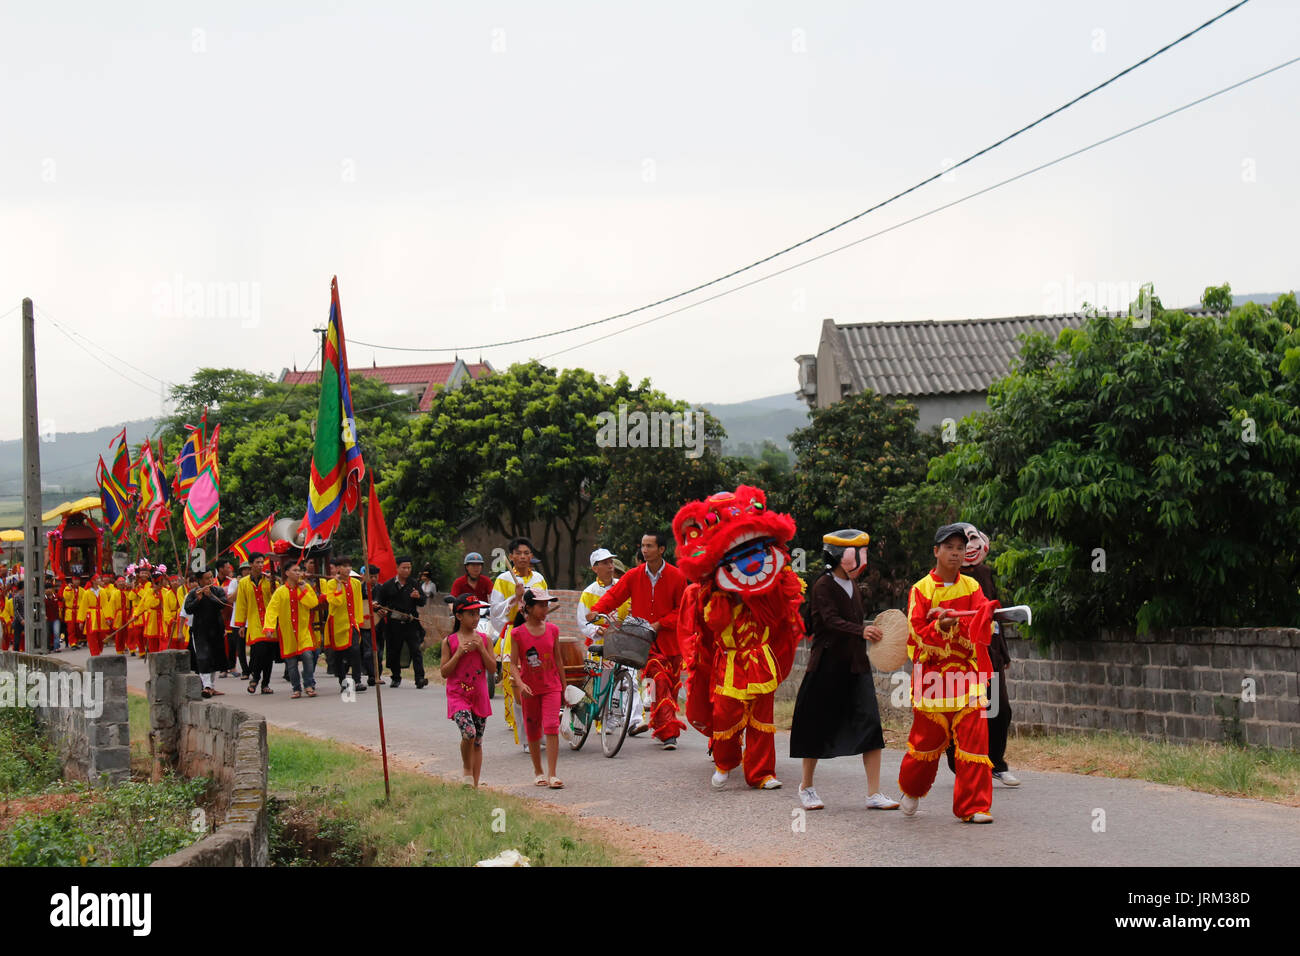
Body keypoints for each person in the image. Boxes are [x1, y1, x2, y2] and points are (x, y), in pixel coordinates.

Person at [790, 530, 900, 811]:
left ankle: (873, 793)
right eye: (858, 552)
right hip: (826, 666)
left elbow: (854, 622)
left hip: (856, 666)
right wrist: (861, 630)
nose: (863, 559)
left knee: (871, 726)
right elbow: (829, 621)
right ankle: (807, 786)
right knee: (815, 725)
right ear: (840, 556)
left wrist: (868, 630)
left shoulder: (854, 584)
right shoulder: (822, 586)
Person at [897, 523, 1000, 824]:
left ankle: (974, 806)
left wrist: (973, 619)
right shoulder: (921, 589)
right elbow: (915, 634)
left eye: (960, 548)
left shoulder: (972, 587)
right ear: (936, 552)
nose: (955, 554)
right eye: (949, 548)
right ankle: (912, 789)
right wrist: (938, 627)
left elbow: (981, 627)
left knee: (974, 743)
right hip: (933, 679)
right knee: (925, 746)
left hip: (968, 677)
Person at [587, 532, 687, 749]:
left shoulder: (677, 576)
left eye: (649, 546)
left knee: (670, 687)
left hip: (671, 642)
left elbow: (682, 609)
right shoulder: (633, 575)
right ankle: (669, 733)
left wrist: (660, 624)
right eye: (642, 545)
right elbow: (614, 596)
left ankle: (661, 727)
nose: (644, 550)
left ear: (661, 549)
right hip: (644, 642)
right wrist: (596, 611)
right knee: (659, 679)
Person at [943, 524, 1020, 787]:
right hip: (961, 657)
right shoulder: (946, 579)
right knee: (961, 712)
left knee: (1000, 709)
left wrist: (1003, 653)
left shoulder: (985, 574)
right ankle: (959, 763)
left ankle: (996, 763)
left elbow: (995, 617)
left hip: (990, 654)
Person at [576, 547, 644, 731]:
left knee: (630, 678)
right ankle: (605, 720)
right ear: (595, 568)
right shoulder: (588, 592)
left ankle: (634, 721)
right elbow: (583, 622)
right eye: (605, 563)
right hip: (600, 645)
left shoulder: (622, 586)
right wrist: (598, 630)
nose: (610, 566)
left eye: (611, 562)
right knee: (602, 684)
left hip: (623, 642)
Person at [489, 537, 546, 746]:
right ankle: (523, 735)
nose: (523, 556)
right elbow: (494, 610)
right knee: (515, 685)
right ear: (511, 556)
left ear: (531, 556)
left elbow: (545, 606)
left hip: (536, 633)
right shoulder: (503, 579)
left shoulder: (539, 578)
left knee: (537, 682)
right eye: (518, 553)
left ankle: (537, 730)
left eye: (527, 553)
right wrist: (514, 598)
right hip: (514, 632)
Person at [513, 588, 565, 788]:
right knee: (533, 729)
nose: (545, 608)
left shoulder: (553, 630)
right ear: (528, 607)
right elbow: (513, 665)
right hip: (530, 689)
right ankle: (538, 771)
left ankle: (552, 774)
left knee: (551, 726)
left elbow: (558, 660)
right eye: (541, 605)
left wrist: (564, 687)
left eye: (546, 604)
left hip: (552, 686)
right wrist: (521, 683)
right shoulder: (517, 633)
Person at [441, 593, 495, 787]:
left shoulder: (485, 639)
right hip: (458, 696)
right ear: (459, 616)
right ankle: (466, 769)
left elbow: (492, 668)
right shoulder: (449, 641)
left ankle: (474, 785)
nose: (475, 618)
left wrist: (481, 649)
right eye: (470, 614)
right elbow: (444, 672)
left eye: (477, 613)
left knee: (478, 742)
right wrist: (458, 654)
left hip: (479, 695)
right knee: (469, 733)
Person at [263, 562, 321, 699]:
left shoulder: (305, 587)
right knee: (291, 663)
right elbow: (271, 610)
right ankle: (296, 688)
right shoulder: (280, 591)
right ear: (287, 573)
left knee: (308, 656)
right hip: (287, 633)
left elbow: (313, 603)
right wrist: (269, 627)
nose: (298, 573)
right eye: (294, 570)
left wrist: (303, 590)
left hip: (303, 631)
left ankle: (308, 684)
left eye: (299, 570)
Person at [377, 556, 428, 689]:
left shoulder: (414, 584)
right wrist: (380, 611)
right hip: (393, 624)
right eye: (404, 568)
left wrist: (418, 597)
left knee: (416, 650)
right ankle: (395, 677)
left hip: (411, 622)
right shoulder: (388, 585)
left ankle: (419, 678)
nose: (407, 570)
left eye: (409, 568)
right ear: (397, 568)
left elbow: (423, 601)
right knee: (394, 650)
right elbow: (379, 604)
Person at [322, 556, 368, 694]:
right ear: (337, 569)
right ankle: (343, 681)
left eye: (349, 566)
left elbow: (358, 602)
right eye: (344, 566)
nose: (347, 569)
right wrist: (338, 585)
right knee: (339, 655)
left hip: (351, 623)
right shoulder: (330, 584)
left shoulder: (355, 583)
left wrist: (359, 620)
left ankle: (357, 680)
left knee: (355, 651)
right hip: (337, 624)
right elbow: (335, 602)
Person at [235, 554, 278, 694]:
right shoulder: (243, 583)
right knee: (259, 651)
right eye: (257, 562)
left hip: (270, 622)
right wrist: (241, 624)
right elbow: (241, 604)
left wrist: (274, 582)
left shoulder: (269, 580)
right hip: (254, 622)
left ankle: (265, 684)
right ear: (251, 564)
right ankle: (255, 678)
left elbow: (277, 597)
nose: (260, 565)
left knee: (269, 654)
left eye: (262, 562)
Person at [186, 567, 231, 698]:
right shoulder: (194, 593)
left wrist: (210, 596)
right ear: (200, 580)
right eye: (207, 578)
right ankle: (206, 686)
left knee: (214, 657)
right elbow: (188, 609)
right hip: (200, 630)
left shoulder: (217, 590)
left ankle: (211, 686)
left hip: (216, 628)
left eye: (211, 577)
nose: (210, 580)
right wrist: (198, 599)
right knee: (203, 657)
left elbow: (223, 604)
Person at [357, 565, 384, 687]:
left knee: (378, 651)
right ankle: (372, 675)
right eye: (371, 576)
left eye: (375, 577)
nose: (373, 579)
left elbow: (387, 604)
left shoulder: (382, 589)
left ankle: (378, 674)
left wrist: (383, 610)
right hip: (365, 624)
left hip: (379, 624)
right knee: (369, 651)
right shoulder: (359, 589)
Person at [76, 573, 109, 657]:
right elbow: (83, 607)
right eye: (98, 579)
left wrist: (108, 617)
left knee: (101, 635)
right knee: (92, 636)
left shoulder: (103, 591)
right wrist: (81, 621)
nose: (100, 580)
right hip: (91, 615)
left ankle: (99, 650)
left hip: (101, 615)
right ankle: (95, 654)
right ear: (93, 581)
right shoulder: (87, 593)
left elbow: (105, 605)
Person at [61, 575, 83, 649]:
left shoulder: (82, 590)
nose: (77, 582)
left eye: (78, 580)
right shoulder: (67, 589)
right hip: (70, 611)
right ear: (72, 581)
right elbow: (66, 598)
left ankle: (76, 642)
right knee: (71, 628)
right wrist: (70, 590)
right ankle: (72, 643)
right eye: (75, 580)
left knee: (77, 628)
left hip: (78, 611)